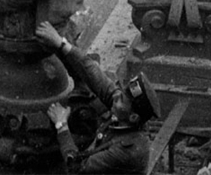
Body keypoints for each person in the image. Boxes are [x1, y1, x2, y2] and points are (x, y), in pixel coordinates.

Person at [36, 21, 161, 174]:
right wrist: (61, 43)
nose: (116, 97)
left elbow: (76, 168)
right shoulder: (127, 116)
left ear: (134, 117)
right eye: (120, 94)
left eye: (121, 100)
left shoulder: (128, 150)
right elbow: (94, 75)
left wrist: (61, 125)